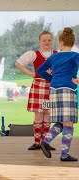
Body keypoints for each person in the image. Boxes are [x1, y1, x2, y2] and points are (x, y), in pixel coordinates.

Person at [37, 27, 79, 161]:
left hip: (54, 91)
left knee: (62, 121)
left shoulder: (54, 57)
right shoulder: (75, 56)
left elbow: (40, 70)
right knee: (68, 123)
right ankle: (64, 155)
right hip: (68, 90)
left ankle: (45, 141)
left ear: (60, 43)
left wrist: (52, 79)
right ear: (72, 43)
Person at [15, 31, 57, 151]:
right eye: (44, 40)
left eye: (49, 40)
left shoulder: (56, 54)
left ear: (52, 41)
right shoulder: (34, 54)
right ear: (39, 42)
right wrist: (32, 74)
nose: (47, 42)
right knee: (39, 117)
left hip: (51, 87)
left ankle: (46, 142)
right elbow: (18, 63)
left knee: (48, 118)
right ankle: (37, 142)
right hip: (39, 85)